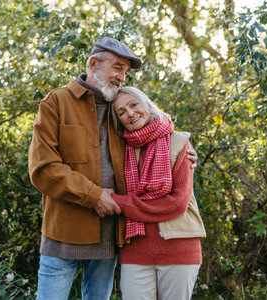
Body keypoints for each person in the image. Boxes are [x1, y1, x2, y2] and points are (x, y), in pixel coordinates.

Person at [28, 37, 197, 300]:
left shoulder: (119, 108)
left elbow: (154, 134)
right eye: (117, 67)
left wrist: (184, 149)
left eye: (126, 72)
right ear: (94, 63)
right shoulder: (56, 102)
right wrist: (94, 195)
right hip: (63, 234)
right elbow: (43, 168)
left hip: (109, 236)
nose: (121, 77)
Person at [111, 86, 206, 300]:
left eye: (134, 105)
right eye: (122, 112)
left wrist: (119, 202)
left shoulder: (179, 142)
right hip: (135, 249)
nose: (130, 113)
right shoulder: (120, 149)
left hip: (179, 249)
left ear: (146, 104)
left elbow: (177, 203)